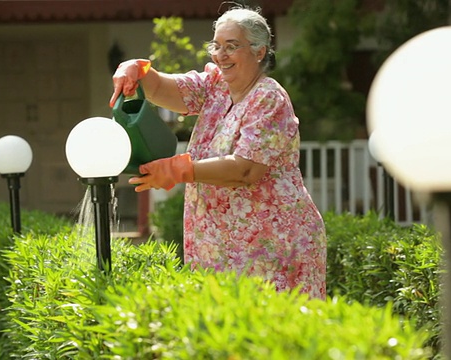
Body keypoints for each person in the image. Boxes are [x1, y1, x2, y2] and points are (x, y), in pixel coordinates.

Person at [109, 6, 327, 299]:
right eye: (217, 45)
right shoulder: (215, 86)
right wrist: (135, 69)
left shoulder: (269, 98)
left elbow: (246, 170)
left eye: (232, 46)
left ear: (259, 52)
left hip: (273, 244)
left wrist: (178, 169)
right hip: (222, 243)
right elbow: (160, 88)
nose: (220, 55)